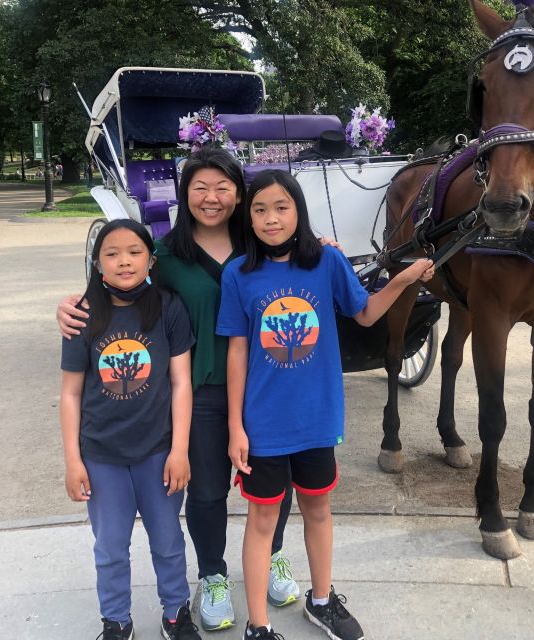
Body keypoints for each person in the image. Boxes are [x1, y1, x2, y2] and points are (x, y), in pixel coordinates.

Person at [56, 149, 300, 633]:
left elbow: (306, 268)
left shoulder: (263, 243)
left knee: (276, 484)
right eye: (200, 187)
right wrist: (71, 306)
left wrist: (323, 245)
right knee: (206, 491)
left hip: (267, 387)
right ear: (185, 193)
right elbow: (119, 288)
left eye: (223, 187)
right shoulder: (164, 255)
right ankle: (212, 574)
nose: (211, 198)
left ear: (239, 192)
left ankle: (271, 556)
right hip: (203, 392)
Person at [216, 170, 435, 640]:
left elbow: (366, 311)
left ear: (298, 211)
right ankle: (258, 625)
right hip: (264, 425)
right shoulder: (238, 274)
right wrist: (236, 426)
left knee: (318, 510)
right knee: (262, 522)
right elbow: (236, 352)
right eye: (259, 210)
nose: (271, 219)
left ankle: (321, 600)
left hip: (316, 418)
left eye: (281, 207)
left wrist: (404, 278)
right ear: (247, 217)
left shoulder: (326, 263)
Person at [60, 219, 200, 640]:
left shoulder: (168, 307)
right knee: (110, 548)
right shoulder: (82, 316)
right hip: (101, 455)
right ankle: (116, 620)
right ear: (97, 263)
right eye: (113, 253)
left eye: (135, 252)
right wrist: (72, 461)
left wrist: (179, 450)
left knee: (168, 540)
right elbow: (70, 394)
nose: (124, 261)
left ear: (150, 260)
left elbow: (181, 383)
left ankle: (176, 612)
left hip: (157, 451)